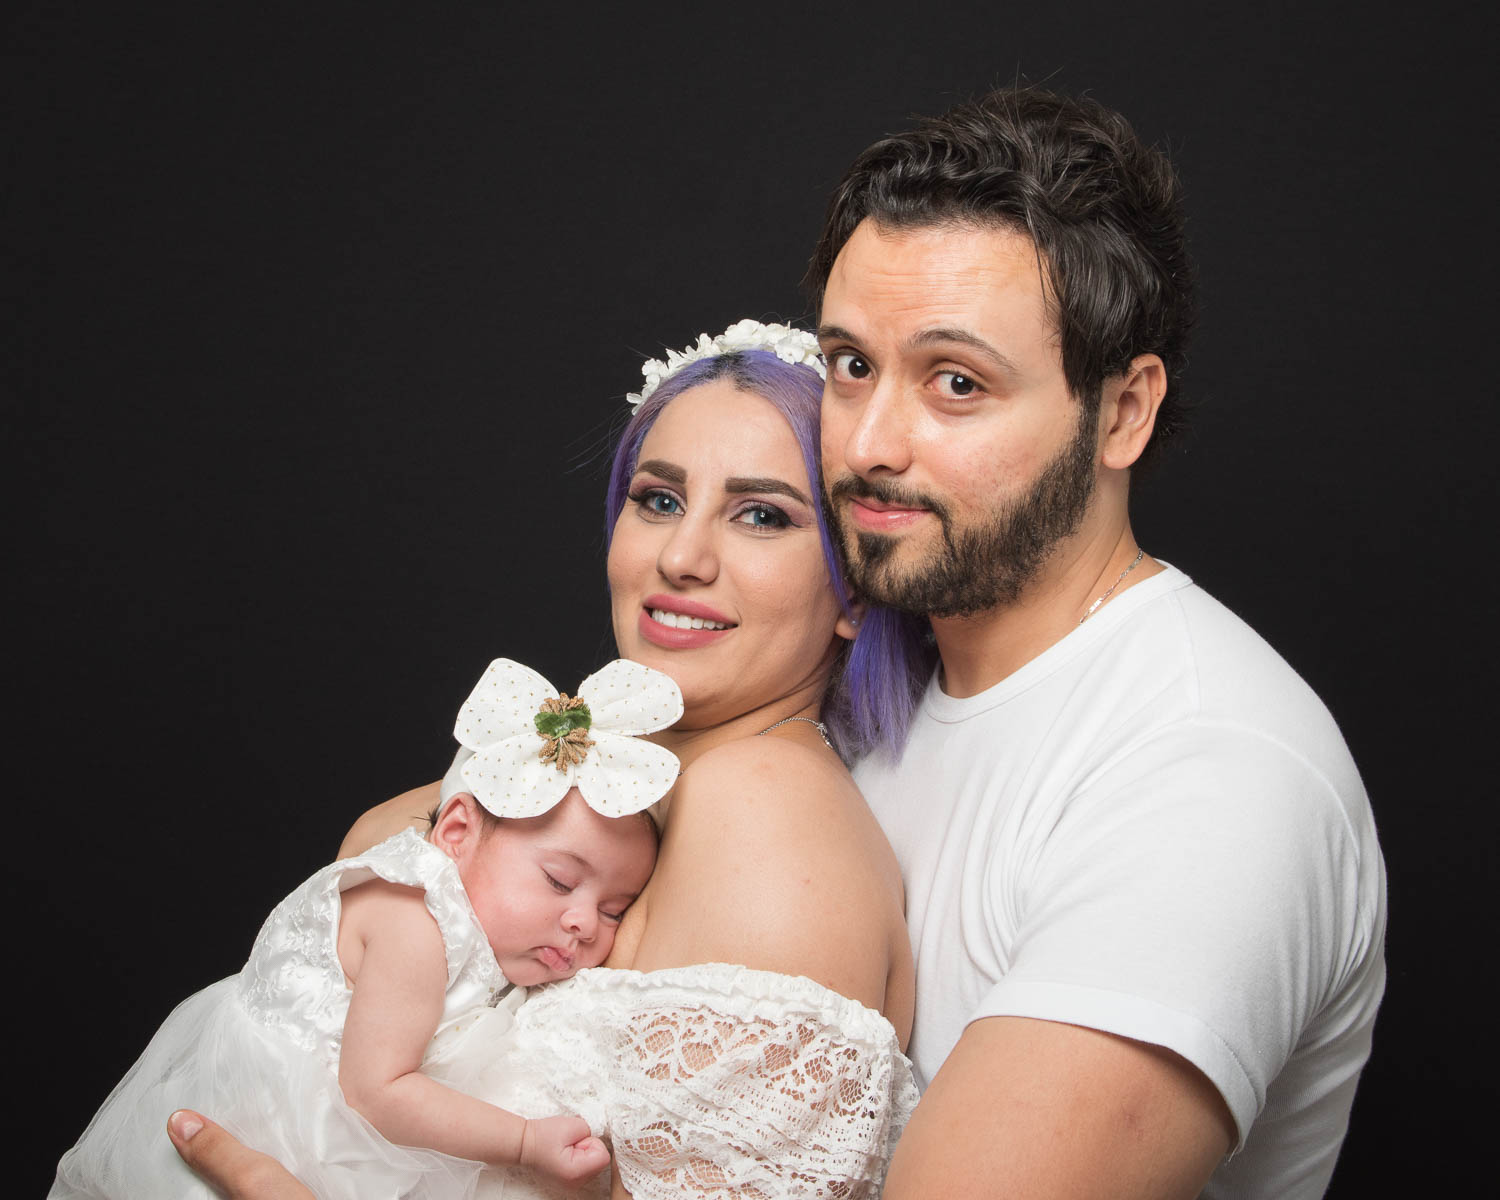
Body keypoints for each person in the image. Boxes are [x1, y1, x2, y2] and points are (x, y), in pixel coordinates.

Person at [167, 321, 923, 1199]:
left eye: (762, 515)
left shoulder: (763, 807)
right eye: (659, 500)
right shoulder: (582, 769)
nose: (680, 558)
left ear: (857, 590)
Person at [808, 87, 1386, 1198]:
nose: (870, 442)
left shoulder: (1211, 768)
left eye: (957, 383)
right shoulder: (850, 669)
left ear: (1124, 412)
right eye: (850, 365)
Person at [52, 656, 680, 1198]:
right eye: (560, 882)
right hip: (273, 1120)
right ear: (455, 832)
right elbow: (377, 1093)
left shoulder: (488, 929)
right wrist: (523, 1140)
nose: (584, 924)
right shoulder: (411, 919)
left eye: (615, 910)